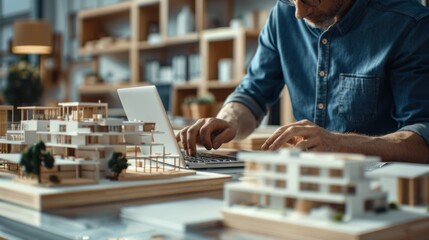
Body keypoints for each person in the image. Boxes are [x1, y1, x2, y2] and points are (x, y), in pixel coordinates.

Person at [176, 0, 429, 163]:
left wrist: (341, 143)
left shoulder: (409, 24)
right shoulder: (283, 13)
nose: (298, 12)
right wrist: (227, 121)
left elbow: (423, 139)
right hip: (306, 178)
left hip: (381, 188)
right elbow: (253, 92)